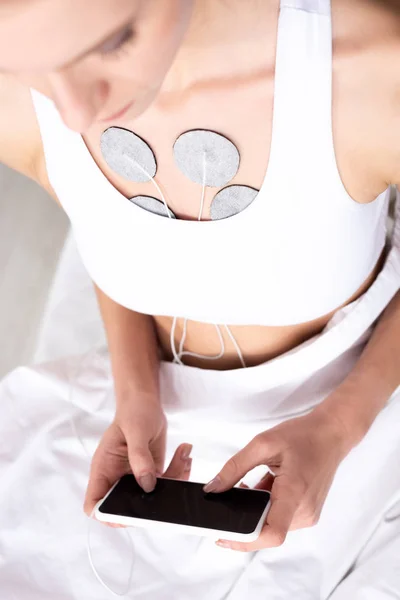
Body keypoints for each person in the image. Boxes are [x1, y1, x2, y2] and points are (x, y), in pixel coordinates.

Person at [0, 0, 399, 597]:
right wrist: (137, 391)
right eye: (31, 65)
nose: (76, 109)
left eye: (112, 43)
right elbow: (110, 234)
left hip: (361, 401)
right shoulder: (16, 99)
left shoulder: (368, 73)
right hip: (144, 403)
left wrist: (339, 428)